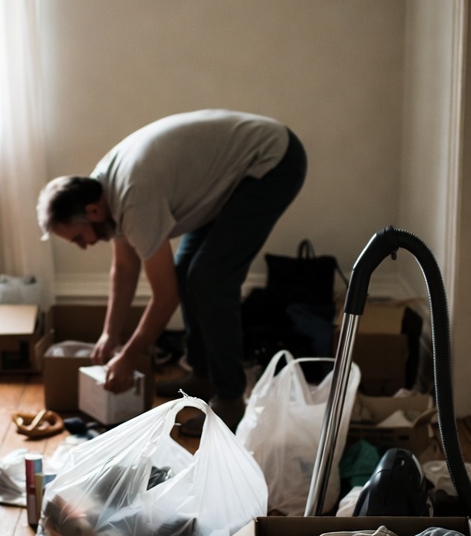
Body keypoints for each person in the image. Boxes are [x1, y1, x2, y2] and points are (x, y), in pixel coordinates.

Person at [36, 109, 307, 433]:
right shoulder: (101, 191)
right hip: (236, 171)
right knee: (188, 274)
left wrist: (130, 356)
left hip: (273, 160)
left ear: (92, 212)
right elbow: (123, 268)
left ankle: (231, 398)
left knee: (209, 280)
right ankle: (204, 374)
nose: (83, 245)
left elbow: (166, 297)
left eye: (80, 237)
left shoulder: (134, 198)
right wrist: (111, 333)